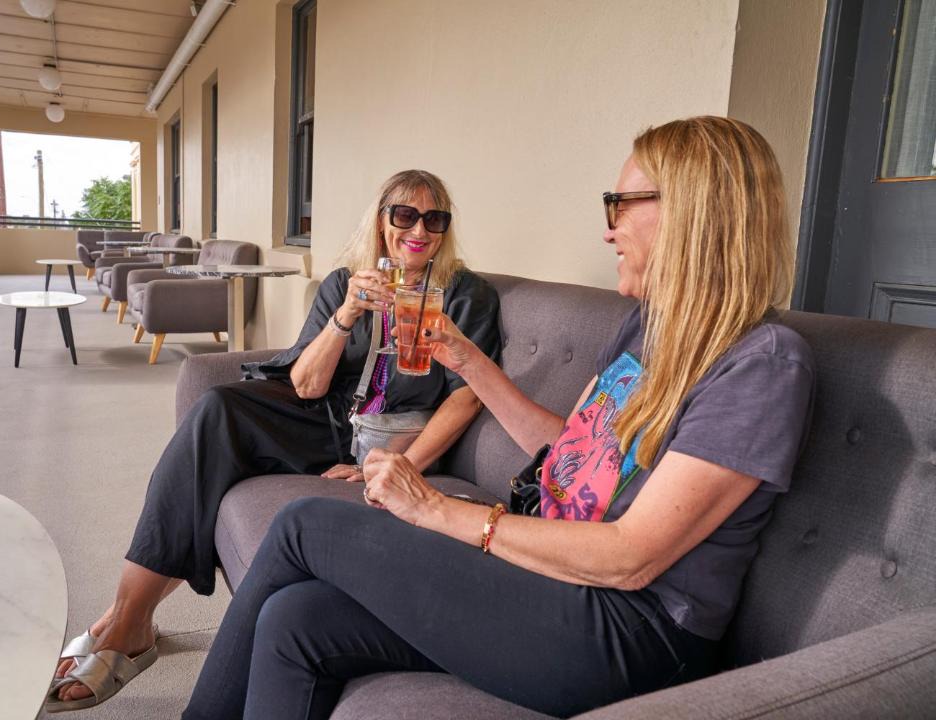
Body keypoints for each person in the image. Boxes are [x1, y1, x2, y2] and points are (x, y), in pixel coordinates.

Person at [181, 116, 816, 719]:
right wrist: (468, 358)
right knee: (297, 619)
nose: (608, 229)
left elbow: (630, 558)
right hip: (552, 575)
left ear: (690, 214)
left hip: (632, 630)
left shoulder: (762, 363)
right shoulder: (645, 327)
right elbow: (571, 451)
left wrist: (435, 509)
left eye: (620, 205)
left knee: (305, 524)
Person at [45, 169, 501, 712]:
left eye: (434, 219)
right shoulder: (343, 282)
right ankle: (127, 617)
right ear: (382, 223)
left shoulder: (467, 295)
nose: (419, 230)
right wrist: (345, 314)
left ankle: (123, 627)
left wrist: (401, 466)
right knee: (215, 414)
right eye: (405, 215)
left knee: (216, 451)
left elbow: (467, 396)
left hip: (397, 437)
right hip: (330, 421)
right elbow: (307, 384)